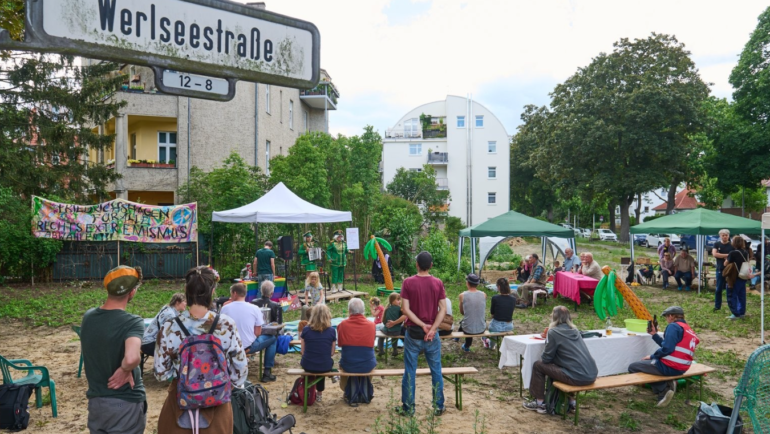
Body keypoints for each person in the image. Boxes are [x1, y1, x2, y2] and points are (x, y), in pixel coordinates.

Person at [154, 266, 247, 433]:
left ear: (186, 290)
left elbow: (160, 373)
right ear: (213, 291)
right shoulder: (226, 325)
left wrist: (184, 378)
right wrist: (224, 383)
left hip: (179, 403)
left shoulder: (169, 326)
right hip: (218, 404)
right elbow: (240, 370)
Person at [81, 266, 147, 434]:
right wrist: (125, 369)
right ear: (131, 292)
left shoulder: (88, 317)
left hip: (97, 403)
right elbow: (132, 358)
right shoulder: (133, 322)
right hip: (124, 403)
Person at [398, 251, 447, 417]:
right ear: (431, 265)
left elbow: (405, 309)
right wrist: (432, 328)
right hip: (432, 336)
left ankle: (408, 408)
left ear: (416, 264)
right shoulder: (438, 283)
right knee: (436, 370)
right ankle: (438, 406)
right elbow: (443, 309)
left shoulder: (408, 282)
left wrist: (422, 325)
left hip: (413, 333)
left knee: (410, 371)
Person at [523, 306, 598, 414]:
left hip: (577, 376)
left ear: (554, 317)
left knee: (538, 365)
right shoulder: (575, 331)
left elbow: (546, 359)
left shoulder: (553, 332)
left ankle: (539, 403)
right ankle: (572, 402)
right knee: (563, 369)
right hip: (591, 374)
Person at [628, 306, 699, 407]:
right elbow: (669, 346)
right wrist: (654, 334)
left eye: (666, 317)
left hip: (669, 366)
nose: (666, 320)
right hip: (683, 368)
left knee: (633, 367)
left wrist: (653, 356)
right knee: (647, 366)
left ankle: (663, 389)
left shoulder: (673, 326)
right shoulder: (688, 329)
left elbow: (667, 349)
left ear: (671, 316)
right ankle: (666, 384)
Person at [221, 283, 277, 383]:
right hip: (248, 346)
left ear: (234, 293)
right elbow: (258, 332)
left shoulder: (225, 308)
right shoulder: (254, 308)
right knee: (272, 339)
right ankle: (267, 372)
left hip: (230, 346)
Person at [337, 298, 377, 394]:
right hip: (367, 365)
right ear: (363, 310)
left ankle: (347, 389)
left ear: (349, 310)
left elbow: (340, 344)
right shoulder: (372, 325)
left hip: (348, 364)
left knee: (342, 363)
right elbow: (372, 343)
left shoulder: (342, 325)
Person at [300, 305, 337, 402]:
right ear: (328, 315)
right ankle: (319, 393)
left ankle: (309, 390)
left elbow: (302, 352)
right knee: (324, 363)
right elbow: (332, 353)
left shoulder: (306, 330)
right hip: (325, 365)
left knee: (314, 361)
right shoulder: (332, 331)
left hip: (307, 364)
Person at [141, 292, 186, 357]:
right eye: (185, 302)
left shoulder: (169, 309)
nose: (186, 304)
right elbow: (170, 333)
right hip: (150, 343)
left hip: (151, 341)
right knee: (176, 353)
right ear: (177, 302)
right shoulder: (169, 314)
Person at [482, 278, 516, 349]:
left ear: (499, 287)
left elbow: (492, 314)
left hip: (496, 326)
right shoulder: (513, 299)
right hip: (509, 326)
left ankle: (491, 345)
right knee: (495, 327)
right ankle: (504, 347)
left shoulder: (495, 298)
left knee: (488, 326)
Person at [457, 273, 487, 351]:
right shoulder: (484, 295)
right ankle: (464, 343)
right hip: (481, 328)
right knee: (470, 321)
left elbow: (462, 312)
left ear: (467, 283)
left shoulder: (462, 295)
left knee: (465, 322)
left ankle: (466, 345)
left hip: (467, 329)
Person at [725, 236, 750, 320]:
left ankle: (735, 314)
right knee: (741, 295)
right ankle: (741, 312)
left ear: (734, 243)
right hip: (743, 275)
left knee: (731, 294)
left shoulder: (733, 253)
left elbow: (726, 263)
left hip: (734, 277)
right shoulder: (746, 252)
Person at [712, 229, 734, 312]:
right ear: (720, 236)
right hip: (720, 268)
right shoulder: (717, 244)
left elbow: (734, 255)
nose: (724, 237)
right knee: (718, 289)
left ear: (728, 236)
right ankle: (717, 306)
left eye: (726, 235)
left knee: (730, 288)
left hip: (730, 270)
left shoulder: (732, 245)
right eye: (723, 235)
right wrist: (728, 255)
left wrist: (721, 255)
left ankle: (732, 306)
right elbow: (714, 254)